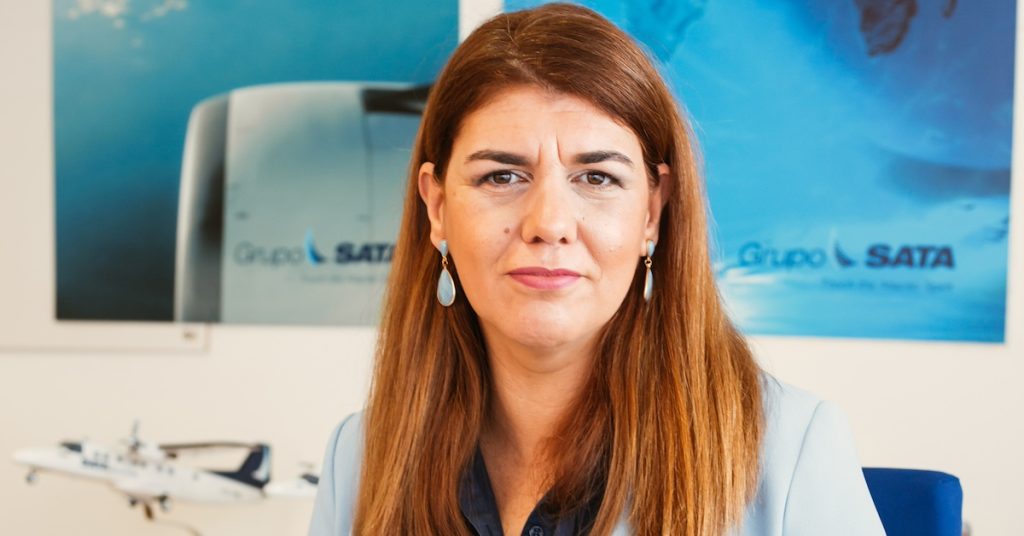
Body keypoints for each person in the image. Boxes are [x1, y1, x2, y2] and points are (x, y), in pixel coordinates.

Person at [309, 3, 885, 535]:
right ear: (437, 209)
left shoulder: (789, 451)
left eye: (597, 177)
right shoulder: (358, 457)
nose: (549, 223)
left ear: (652, 212)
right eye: (501, 176)